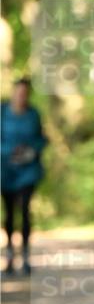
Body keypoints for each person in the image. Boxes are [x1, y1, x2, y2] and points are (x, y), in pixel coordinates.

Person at [1, 77, 48, 276]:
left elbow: (42, 139)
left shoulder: (33, 114)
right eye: (19, 92)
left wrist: (32, 151)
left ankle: (26, 256)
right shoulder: (2, 112)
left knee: (26, 210)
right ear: (13, 92)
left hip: (28, 170)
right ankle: (10, 254)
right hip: (5, 169)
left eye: (25, 93)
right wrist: (9, 152)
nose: (22, 96)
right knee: (9, 213)